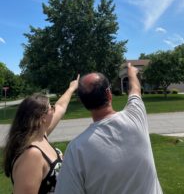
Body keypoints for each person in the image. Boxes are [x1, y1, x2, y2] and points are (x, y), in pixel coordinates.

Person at [55, 63, 163, 194]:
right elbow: (135, 89)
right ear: (108, 93)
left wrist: (72, 88)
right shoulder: (135, 116)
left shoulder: (76, 149)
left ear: (84, 103)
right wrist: (131, 72)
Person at [3, 74, 80, 194]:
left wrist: (71, 88)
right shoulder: (32, 155)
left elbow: (60, 106)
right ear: (43, 118)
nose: (54, 109)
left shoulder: (41, 135)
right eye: (51, 108)